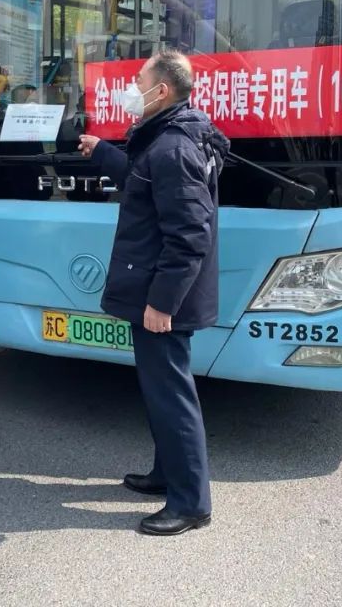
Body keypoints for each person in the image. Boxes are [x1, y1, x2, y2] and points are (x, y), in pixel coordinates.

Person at [78, 50, 228, 537]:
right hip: (158, 291)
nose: (131, 87)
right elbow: (143, 182)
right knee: (160, 392)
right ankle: (168, 474)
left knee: (171, 396)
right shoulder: (166, 137)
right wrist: (104, 153)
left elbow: (189, 236)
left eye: (138, 80)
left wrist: (162, 303)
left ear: (161, 91)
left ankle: (190, 503)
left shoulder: (173, 148)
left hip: (163, 299)